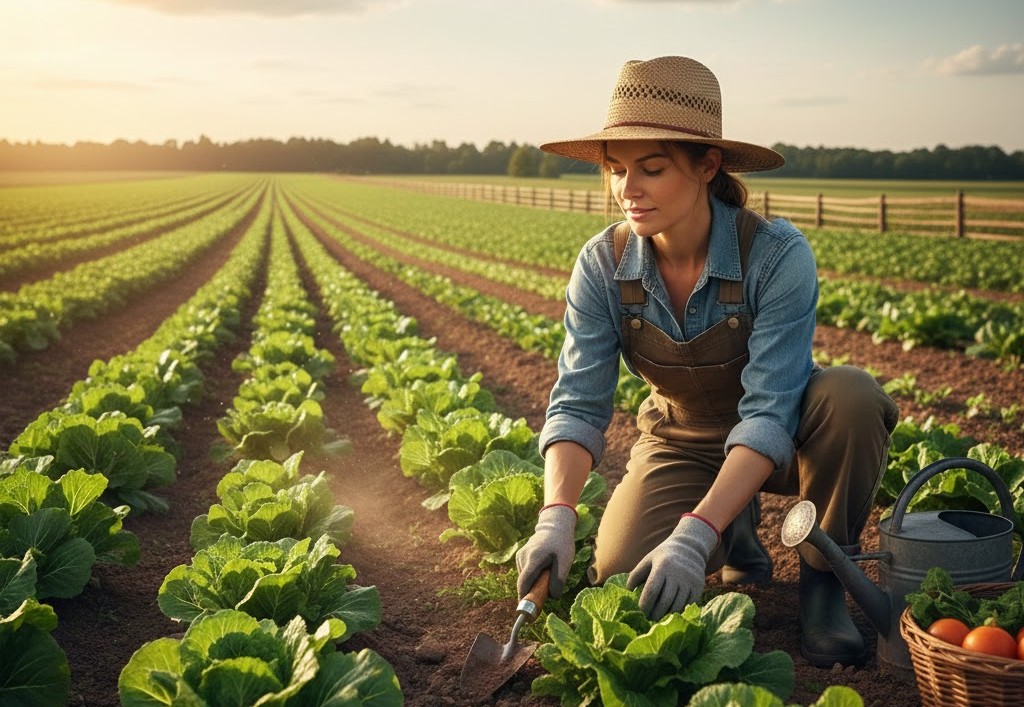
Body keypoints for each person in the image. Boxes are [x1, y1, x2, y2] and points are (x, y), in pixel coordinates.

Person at [514, 56, 899, 668]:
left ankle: (823, 582)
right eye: (616, 170)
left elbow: (768, 415)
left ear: (708, 165)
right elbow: (578, 403)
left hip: (792, 437)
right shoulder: (602, 264)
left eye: (652, 168)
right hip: (682, 439)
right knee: (624, 580)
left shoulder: (776, 255)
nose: (628, 189)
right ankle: (734, 528)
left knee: (850, 395)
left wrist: (693, 537)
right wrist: (555, 517)